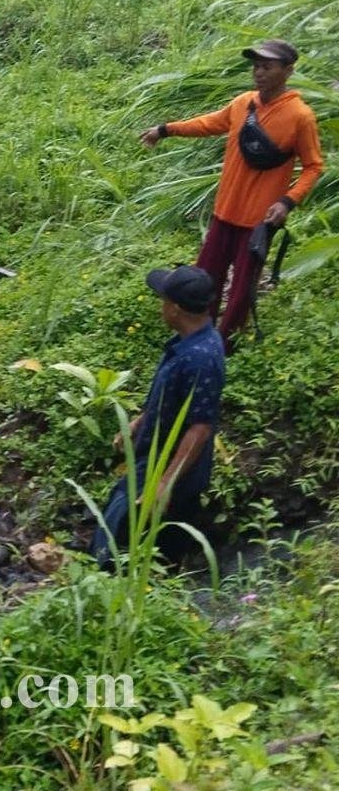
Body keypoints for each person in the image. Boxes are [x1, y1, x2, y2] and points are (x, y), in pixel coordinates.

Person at [139, 39, 324, 354]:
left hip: (258, 222)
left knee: (241, 289)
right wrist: (166, 129)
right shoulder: (242, 104)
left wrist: (287, 201)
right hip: (224, 212)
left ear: (288, 71)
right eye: (256, 66)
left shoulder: (299, 116)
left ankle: (225, 346)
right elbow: (209, 123)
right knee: (205, 277)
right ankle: (196, 336)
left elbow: (313, 166)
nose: (258, 72)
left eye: (267, 67)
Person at [90, 266, 226, 569]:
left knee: (118, 539)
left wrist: (165, 482)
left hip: (166, 470)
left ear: (175, 309)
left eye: (162, 300)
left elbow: (200, 428)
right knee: (130, 530)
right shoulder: (187, 342)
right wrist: (140, 421)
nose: (160, 306)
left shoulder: (200, 358)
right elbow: (174, 398)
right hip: (152, 459)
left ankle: (103, 583)